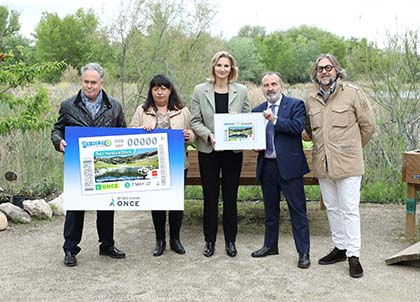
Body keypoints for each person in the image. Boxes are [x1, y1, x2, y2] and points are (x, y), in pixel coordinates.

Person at [304, 54, 375, 278]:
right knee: (333, 208)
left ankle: (354, 256)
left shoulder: (352, 93)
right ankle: (340, 248)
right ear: (315, 74)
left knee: (349, 209)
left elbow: (368, 126)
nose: (324, 72)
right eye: (319, 69)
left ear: (336, 70)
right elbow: (309, 131)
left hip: (348, 164)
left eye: (328, 68)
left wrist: (351, 149)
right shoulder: (310, 99)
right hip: (322, 164)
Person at [51, 62, 126, 267]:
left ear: (102, 82)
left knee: (106, 206)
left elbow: (123, 134)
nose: (89, 86)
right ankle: (70, 249)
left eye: (94, 82)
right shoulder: (68, 105)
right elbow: (57, 130)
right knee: (76, 207)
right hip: (79, 165)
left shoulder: (115, 106)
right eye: (86, 82)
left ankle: (107, 244)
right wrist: (59, 141)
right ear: (81, 81)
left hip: (105, 164)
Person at [190, 51, 249, 257]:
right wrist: (208, 135)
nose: (223, 69)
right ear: (213, 67)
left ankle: (231, 241)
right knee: (210, 196)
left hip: (233, 152)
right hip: (209, 150)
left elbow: (248, 120)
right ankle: (209, 240)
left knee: (231, 197)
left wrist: (239, 119)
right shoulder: (200, 90)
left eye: (226, 66)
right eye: (219, 65)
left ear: (231, 69)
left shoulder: (241, 90)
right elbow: (195, 121)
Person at [129, 74, 195, 256]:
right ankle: (160, 240)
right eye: (156, 88)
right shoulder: (142, 111)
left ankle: (175, 239)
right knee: (157, 203)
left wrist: (190, 135)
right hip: (152, 164)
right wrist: (142, 131)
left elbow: (192, 132)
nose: (160, 92)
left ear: (170, 90)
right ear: (151, 91)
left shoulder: (182, 111)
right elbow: (130, 132)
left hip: (177, 164)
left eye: (163, 88)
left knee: (176, 203)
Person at [251, 72, 311, 269]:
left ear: (281, 86)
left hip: (290, 168)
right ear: (262, 89)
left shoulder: (295, 105)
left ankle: (303, 252)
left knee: (297, 211)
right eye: (266, 85)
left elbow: (297, 127)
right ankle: (270, 245)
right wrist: (252, 142)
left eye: (273, 84)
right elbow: (251, 135)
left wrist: (275, 119)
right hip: (267, 166)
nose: (270, 88)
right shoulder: (257, 110)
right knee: (270, 210)